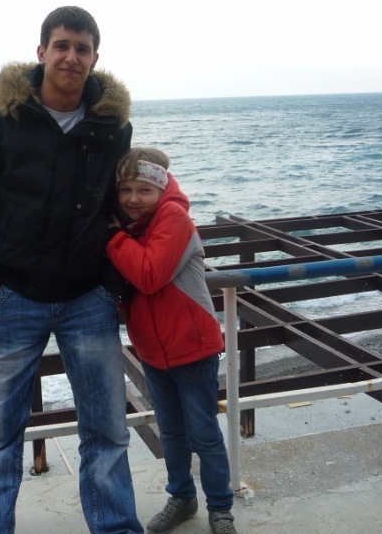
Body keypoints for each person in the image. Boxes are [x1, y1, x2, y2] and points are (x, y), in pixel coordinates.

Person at [0, 6, 143, 534]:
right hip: (12, 297)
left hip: (88, 298)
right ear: (41, 52)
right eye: (62, 46)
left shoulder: (112, 126)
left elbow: (122, 205)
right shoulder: (0, 118)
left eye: (82, 49)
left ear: (95, 59)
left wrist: (112, 286)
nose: (71, 57)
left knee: (107, 430)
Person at [106, 147, 237, 534]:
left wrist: (111, 236)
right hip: (153, 350)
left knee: (204, 433)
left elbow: (149, 276)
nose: (133, 199)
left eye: (144, 190)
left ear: (161, 189)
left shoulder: (173, 218)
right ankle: (181, 497)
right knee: (172, 432)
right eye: (125, 190)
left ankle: (221, 508)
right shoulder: (135, 225)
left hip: (191, 346)